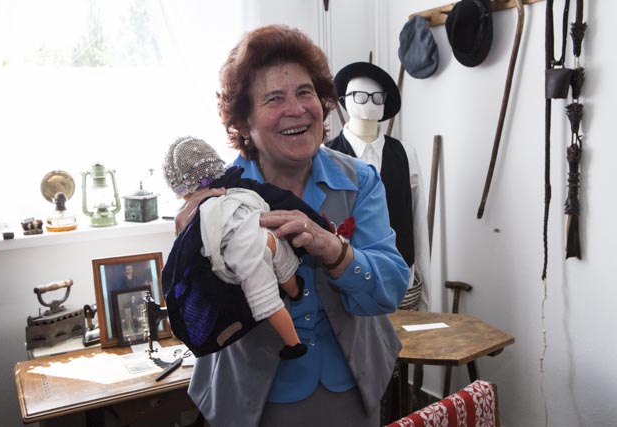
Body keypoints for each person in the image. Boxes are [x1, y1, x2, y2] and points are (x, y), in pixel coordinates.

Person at [174, 25, 409, 427]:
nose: (297, 109)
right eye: (274, 98)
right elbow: (199, 313)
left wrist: (336, 251)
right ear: (243, 122)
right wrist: (191, 253)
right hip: (253, 399)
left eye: (305, 92)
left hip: (352, 387)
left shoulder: (360, 181)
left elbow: (390, 288)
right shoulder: (218, 201)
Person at [163, 136, 330, 360]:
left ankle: (293, 344)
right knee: (285, 269)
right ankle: (294, 289)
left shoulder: (197, 216)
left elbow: (184, 272)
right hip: (271, 237)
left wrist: (181, 243)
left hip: (250, 254)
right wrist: (321, 227)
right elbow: (284, 199)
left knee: (269, 304)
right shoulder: (243, 184)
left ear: (182, 192)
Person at [326, 62, 431, 310]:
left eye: (376, 96)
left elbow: (418, 224)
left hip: (400, 282)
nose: (369, 103)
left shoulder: (405, 154)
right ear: (345, 100)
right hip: (344, 284)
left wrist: (426, 298)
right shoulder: (326, 156)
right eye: (360, 95)